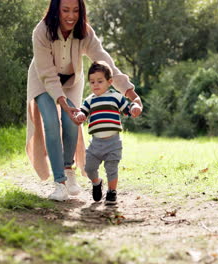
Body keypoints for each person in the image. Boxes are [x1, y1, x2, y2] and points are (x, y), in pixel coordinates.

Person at [26, 0, 142, 201]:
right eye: (65, 10)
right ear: (56, 10)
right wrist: (62, 103)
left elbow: (106, 64)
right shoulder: (41, 31)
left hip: (72, 80)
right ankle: (59, 183)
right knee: (52, 123)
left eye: (75, 10)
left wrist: (132, 94)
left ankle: (68, 169)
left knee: (72, 123)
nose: (71, 16)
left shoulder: (85, 32)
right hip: (43, 80)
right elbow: (47, 74)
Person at [75, 61, 141, 205]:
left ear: (109, 82)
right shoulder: (89, 100)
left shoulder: (116, 97)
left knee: (112, 168)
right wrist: (80, 116)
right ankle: (97, 182)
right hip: (95, 144)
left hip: (113, 142)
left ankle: (112, 192)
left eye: (100, 81)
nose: (95, 85)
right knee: (89, 168)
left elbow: (129, 109)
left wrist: (135, 108)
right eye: (92, 82)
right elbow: (82, 113)